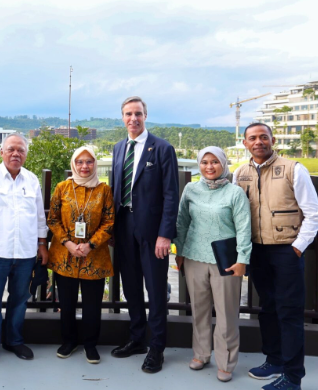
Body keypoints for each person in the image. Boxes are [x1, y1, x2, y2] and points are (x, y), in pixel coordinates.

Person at [234, 123, 318, 390]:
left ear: (272, 140)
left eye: (263, 137)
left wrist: (297, 247)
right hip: (257, 251)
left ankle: (293, 376)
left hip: (286, 250)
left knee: (289, 312)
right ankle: (274, 360)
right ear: (245, 143)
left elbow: (314, 214)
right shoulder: (240, 173)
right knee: (268, 309)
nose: (258, 141)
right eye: (253, 138)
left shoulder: (293, 169)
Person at [110, 96, 179, 373]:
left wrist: (165, 235)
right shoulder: (118, 148)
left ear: (146, 116)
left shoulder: (162, 148)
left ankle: (157, 348)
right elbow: (116, 189)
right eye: (128, 114)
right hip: (124, 226)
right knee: (131, 289)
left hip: (152, 232)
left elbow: (171, 195)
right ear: (122, 118)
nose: (133, 118)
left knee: (156, 289)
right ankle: (137, 339)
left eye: (138, 113)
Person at [0, 133, 49, 366]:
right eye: (11, 149)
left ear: (26, 154)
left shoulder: (32, 180)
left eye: (21, 150)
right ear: (2, 152)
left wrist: (42, 245)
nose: (16, 154)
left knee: (20, 299)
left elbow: (39, 217)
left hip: (26, 253)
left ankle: (14, 341)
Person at [174, 147, 251, 382]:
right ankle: (201, 353)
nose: (209, 167)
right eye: (205, 162)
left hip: (225, 261)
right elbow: (182, 222)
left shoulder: (235, 193)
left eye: (215, 162)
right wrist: (179, 251)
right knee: (199, 310)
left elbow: (244, 229)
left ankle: (226, 362)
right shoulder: (190, 189)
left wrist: (242, 260)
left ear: (223, 164)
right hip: (194, 257)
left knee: (227, 314)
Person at [46, 146, 114, 364]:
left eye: (89, 162)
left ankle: (90, 344)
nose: (85, 166)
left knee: (92, 305)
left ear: (95, 164)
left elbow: (109, 221)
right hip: (65, 255)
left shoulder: (104, 190)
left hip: (94, 257)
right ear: (73, 164)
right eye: (80, 162)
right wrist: (67, 243)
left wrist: (90, 245)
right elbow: (53, 219)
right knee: (66, 303)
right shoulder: (62, 188)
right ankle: (69, 341)